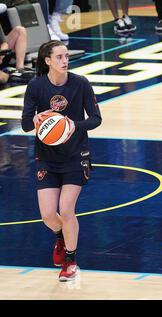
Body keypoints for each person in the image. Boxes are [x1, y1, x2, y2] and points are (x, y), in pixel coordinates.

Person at [21, 40, 102, 281]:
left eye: (66, 56)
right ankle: (61, 237)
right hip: (47, 158)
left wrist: (70, 125)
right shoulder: (35, 86)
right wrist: (38, 120)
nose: (64, 60)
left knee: (66, 209)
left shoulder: (80, 83)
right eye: (59, 57)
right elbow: (26, 124)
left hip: (76, 156)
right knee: (47, 214)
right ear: (47, 61)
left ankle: (70, 261)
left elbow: (96, 119)